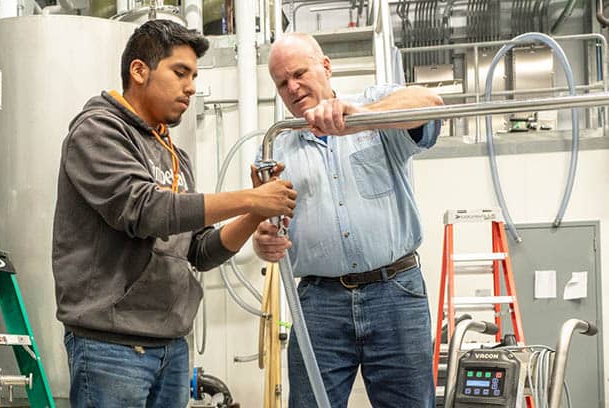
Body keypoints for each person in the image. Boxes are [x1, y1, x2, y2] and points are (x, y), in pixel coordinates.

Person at [52, 20, 296, 408]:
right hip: (111, 347)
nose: (191, 87)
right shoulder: (98, 130)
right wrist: (250, 200)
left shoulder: (173, 155)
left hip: (171, 346)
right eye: (180, 72)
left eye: (195, 75)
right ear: (139, 70)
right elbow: (144, 209)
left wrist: (253, 212)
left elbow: (197, 250)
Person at [253, 32, 444, 408]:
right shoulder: (277, 144)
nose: (292, 87)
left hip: (395, 293)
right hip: (319, 301)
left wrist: (364, 118)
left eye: (299, 73)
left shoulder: (372, 107)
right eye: (281, 83)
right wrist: (263, 241)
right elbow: (268, 225)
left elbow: (431, 102)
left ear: (325, 66)